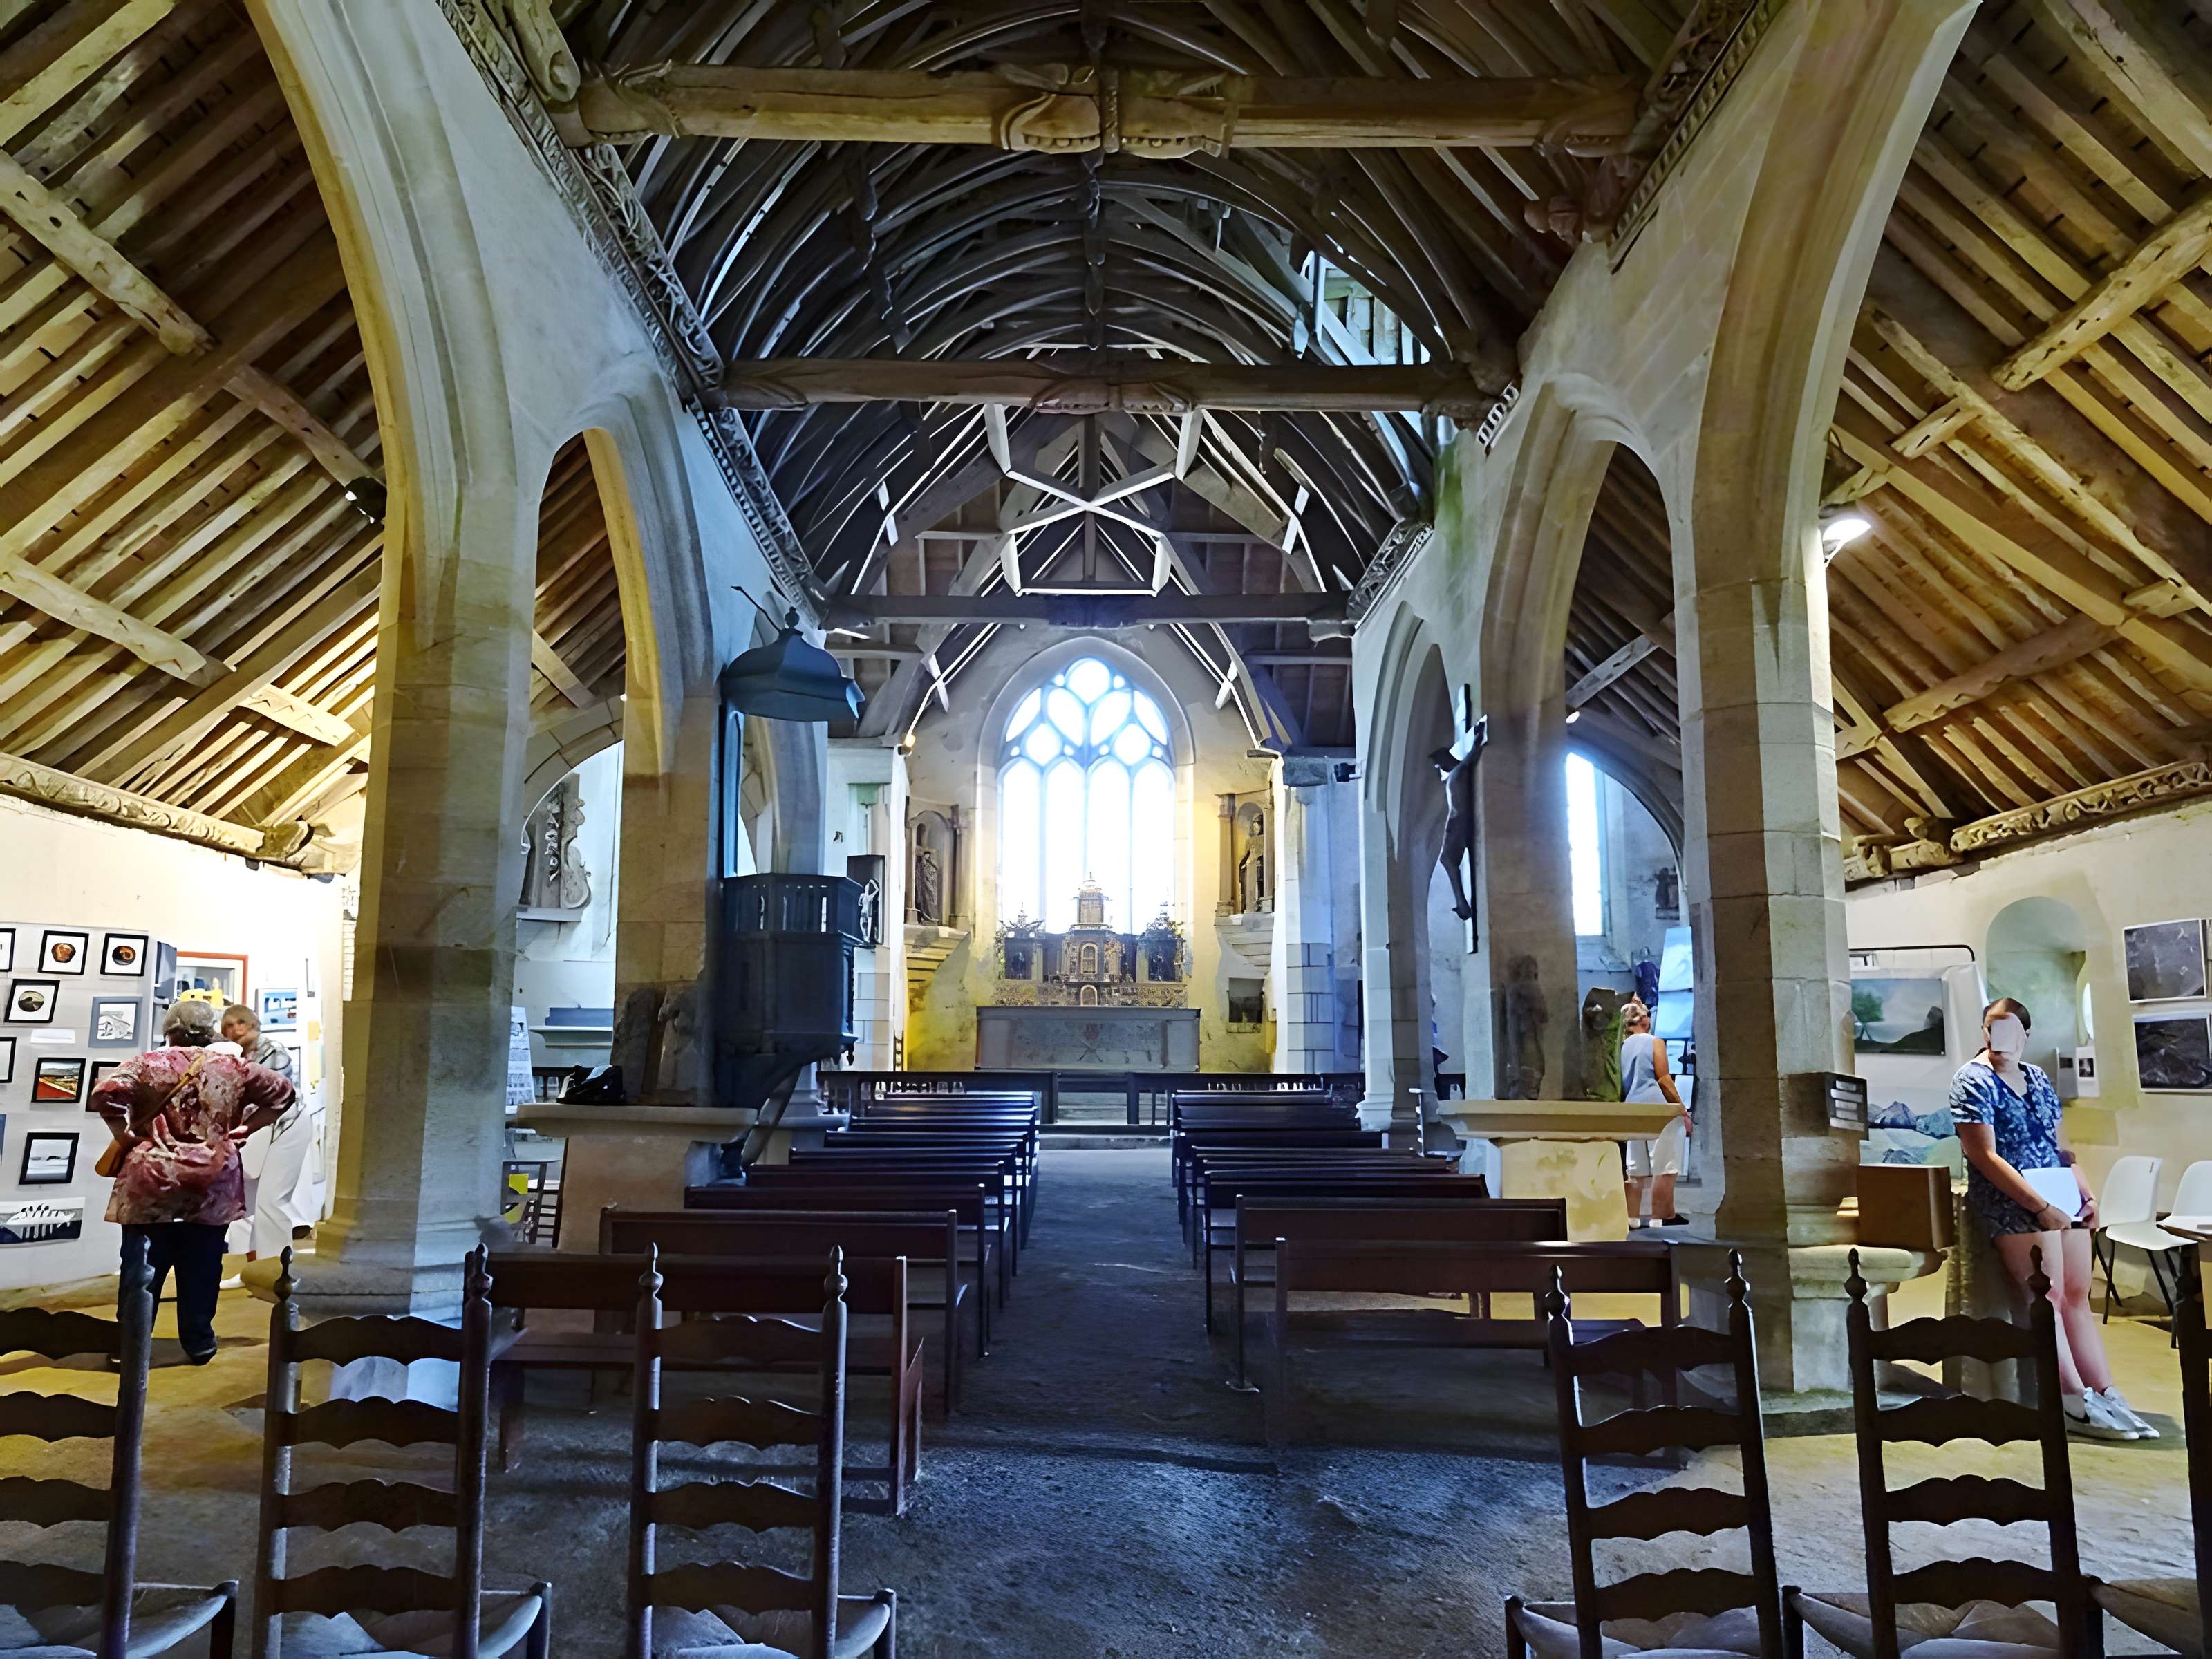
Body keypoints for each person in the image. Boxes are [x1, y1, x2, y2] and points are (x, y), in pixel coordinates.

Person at [1951, 996, 2154, 1440]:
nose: (1998, 1039)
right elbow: (1983, 1154)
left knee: (2077, 1294)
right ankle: (2071, 1399)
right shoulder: (1973, 1081)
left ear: (2025, 1034)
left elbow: (2060, 1144)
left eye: (2008, 1030)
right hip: (2015, 1201)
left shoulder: (2038, 1078)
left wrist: (2085, 1192)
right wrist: (2038, 1206)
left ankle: (2104, 1390)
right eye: (1991, 1028)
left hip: (2058, 1188)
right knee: (2048, 1298)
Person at [89, 1000, 294, 1364]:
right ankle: (199, 1342)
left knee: (142, 1266)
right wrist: (248, 1127)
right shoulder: (234, 1067)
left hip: (152, 1179)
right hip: (211, 1180)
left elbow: (105, 1094)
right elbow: (283, 1094)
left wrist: (123, 1136)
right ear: (210, 1030)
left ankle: (131, 1346)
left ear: (170, 1030)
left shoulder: (148, 1063)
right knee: (203, 1263)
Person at [221, 1003, 312, 1260]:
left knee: (272, 1202)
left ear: (253, 1024)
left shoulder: (275, 1052)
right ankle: (248, 1266)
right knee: (244, 1201)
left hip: (286, 1124)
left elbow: (272, 1096)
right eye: (229, 1025)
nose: (235, 1029)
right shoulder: (236, 1057)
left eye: (241, 1022)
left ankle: (276, 1270)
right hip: (258, 1130)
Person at [1620, 1000, 1689, 1227]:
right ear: (1644, 1020)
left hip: (1632, 1107)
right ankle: (1662, 1216)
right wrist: (1681, 1108)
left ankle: (1632, 1218)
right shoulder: (1655, 1042)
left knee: (1636, 1168)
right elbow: (1663, 1078)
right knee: (1665, 1164)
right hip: (1657, 1107)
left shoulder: (1622, 1046)